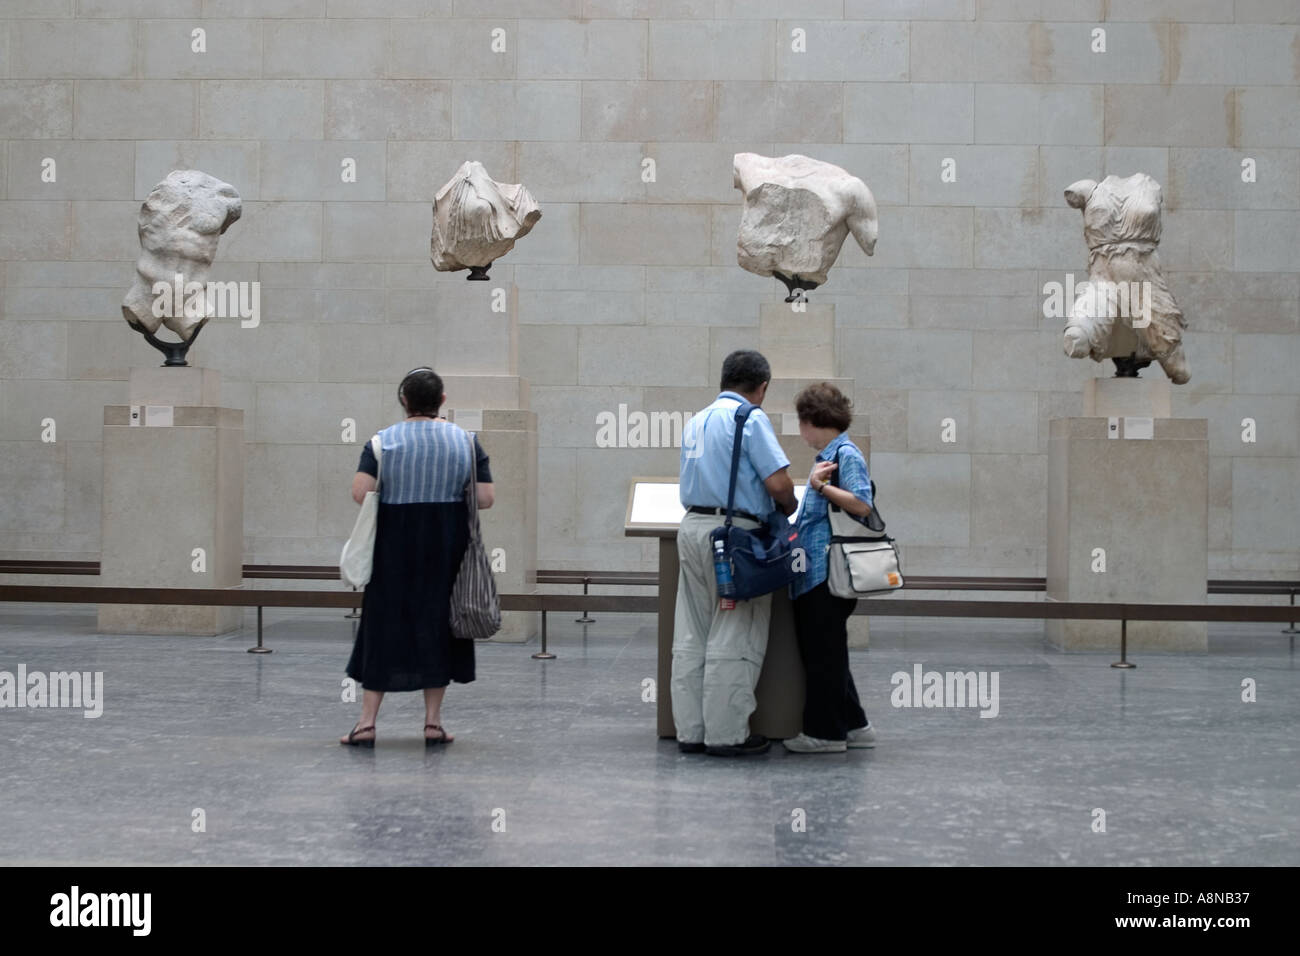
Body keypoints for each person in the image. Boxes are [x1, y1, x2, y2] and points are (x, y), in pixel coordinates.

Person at [340, 367, 494, 747]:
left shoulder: (382, 442)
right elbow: (486, 498)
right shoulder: (466, 442)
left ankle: (366, 723)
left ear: (404, 400)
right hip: (447, 548)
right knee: (439, 628)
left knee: (381, 627)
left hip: (393, 548)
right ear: (442, 401)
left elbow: (361, 492)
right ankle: (432, 723)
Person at [672, 351, 797, 757]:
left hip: (691, 529)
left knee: (691, 633)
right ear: (762, 387)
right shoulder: (750, 418)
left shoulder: (697, 419)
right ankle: (726, 735)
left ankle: (690, 731)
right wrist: (790, 503)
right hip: (734, 539)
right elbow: (778, 485)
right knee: (734, 629)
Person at [783, 382, 877, 754]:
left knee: (823, 655)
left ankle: (825, 733)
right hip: (821, 573)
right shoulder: (834, 452)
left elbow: (861, 504)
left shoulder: (845, 454)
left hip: (828, 574)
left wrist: (819, 488)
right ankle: (855, 725)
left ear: (810, 421)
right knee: (830, 651)